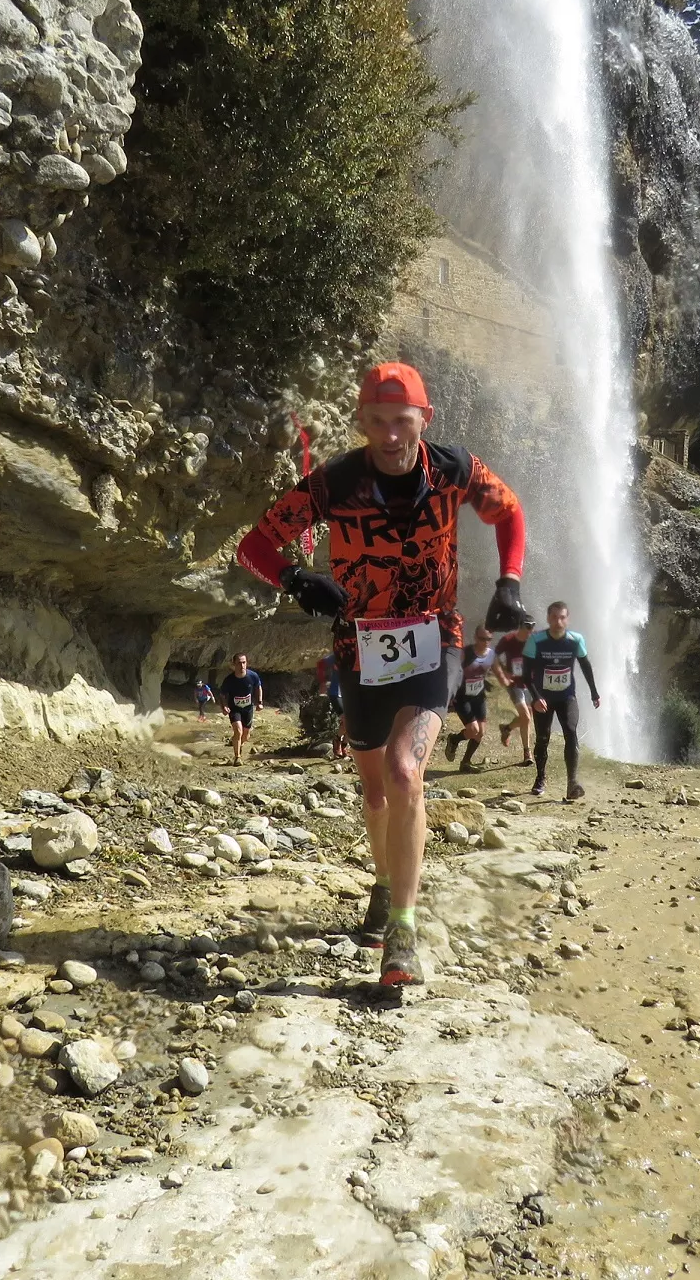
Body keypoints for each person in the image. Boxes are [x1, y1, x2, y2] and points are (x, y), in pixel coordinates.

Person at [236, 361, 528, 986]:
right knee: (374, 792)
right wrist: (294, 577)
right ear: (362, 422)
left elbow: (509, 513)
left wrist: (510, 581)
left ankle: (403, 929)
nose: (391, 434)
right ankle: (383, 882)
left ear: (425, 419)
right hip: (358, 647)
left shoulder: (455, 468)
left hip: (435, 637)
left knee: (404, 771)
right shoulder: (335, 481)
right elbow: (254, 546)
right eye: (377, 422)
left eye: (403, 421)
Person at [525, 601, 600, 801]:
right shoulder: (536, 640)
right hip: (544, 698)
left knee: (571, 731)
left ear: (568, 619)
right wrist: (536, 697)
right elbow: (525, 673)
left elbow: (586, 666)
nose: (558, 622)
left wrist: (594, 692)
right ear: (548, 618)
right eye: (554, 617)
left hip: (567, 696)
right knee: (543, 738)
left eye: (562, 617)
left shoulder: (576, 640)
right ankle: (540, 778)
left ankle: (572, 783)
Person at [446, 625, 498, 771]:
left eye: (489, 639)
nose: (485, 642)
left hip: (478, 696)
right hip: (462, 697)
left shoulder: (491, 654)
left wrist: (508, 681)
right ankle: (454, 740)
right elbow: (453, 670)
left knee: (480, 733)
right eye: (482, 639)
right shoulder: (465, 653)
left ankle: (465, 763)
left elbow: (497, 671)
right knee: (473, 729)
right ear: (475, 637)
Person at [493, 618, 535, 765]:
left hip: (530, 684)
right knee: (526, 717)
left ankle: (507, 728)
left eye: (532, 626)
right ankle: (527, 752)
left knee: (526, 718)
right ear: (520, 626)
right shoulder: (508, 640)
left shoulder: (534, 640)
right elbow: (494, 656)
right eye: (527, 626)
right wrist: (504, 672)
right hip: (515, 684)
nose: (530, 629)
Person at [217, 653, 263, 766]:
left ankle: (238, 744)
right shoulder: (229, 680)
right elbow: (222, 695)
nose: (242, 665)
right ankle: (237, 758)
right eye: (239, 663)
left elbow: (258, 687)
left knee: (246, 735)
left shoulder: (253, 676)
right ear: (234, 664)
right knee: (238, 731)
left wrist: (260, 702)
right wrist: (224, 706)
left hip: (248, 709)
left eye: (244, 662)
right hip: (234, 709)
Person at [315, 649, 348, 760]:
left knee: (354, 723)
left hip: (351, 694)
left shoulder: (362, 655)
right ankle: (337, 740)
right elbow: (320, 664)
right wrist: (323, 682)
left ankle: (344, 747)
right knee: (347, 720)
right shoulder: (338, 655)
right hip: (336, 693)